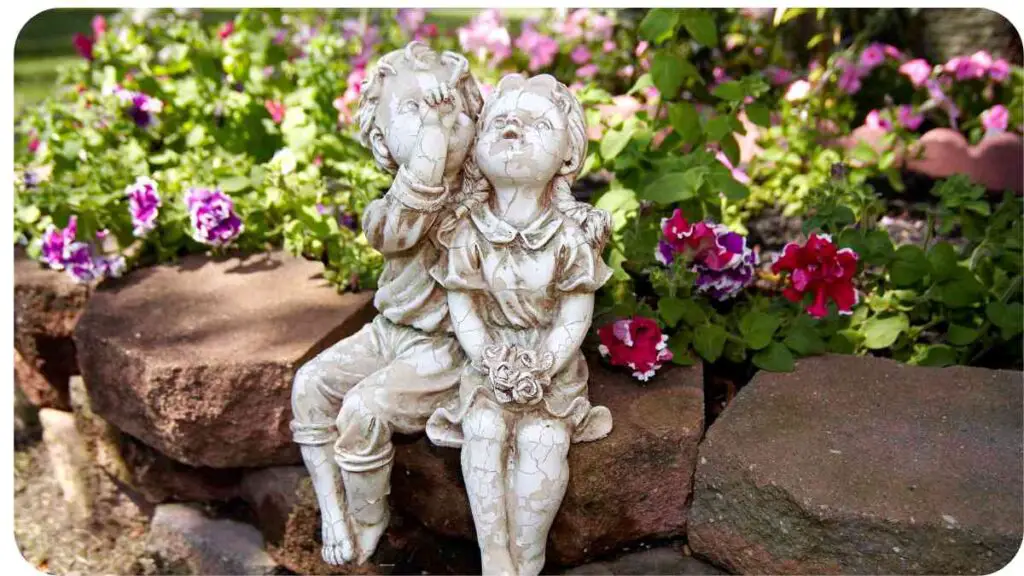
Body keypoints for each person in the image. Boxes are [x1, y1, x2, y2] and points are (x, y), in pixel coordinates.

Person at [289, 41, 482, 565]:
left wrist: (441, 135)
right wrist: (434, 141)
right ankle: (334, 509)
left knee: (364, 410)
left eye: (448, 109)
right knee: (309, 385)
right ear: (380, 138)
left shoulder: (485, 203)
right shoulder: (388, 209)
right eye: (413, 111)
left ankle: (370, 515)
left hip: (445, 348)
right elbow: (405, 224)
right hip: (388, 332)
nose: (434, 124)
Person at [426, 73, 614, 576]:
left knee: (543, 442)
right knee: (483, 429)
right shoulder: (469, 231)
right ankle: (495, 557)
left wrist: (546, 363)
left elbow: (575, 312)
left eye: (536, 124)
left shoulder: (568, 237)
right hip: (488, 363)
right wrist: (487, 357)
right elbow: (462, 304)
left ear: (567, 158)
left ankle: (528, 559)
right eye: (501, 123)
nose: (513, 130)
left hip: (550, 367)